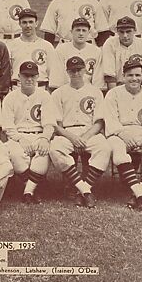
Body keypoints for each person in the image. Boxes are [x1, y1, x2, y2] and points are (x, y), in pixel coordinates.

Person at [103, 58, 142, 211]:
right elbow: (110, 120)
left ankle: (137, 192)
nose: (134, 79)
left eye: (138, 75)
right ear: (123, 76)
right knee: (118, 150)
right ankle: (141, 195)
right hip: (119, 134)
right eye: (130, 75)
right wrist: (122, 134)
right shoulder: (113, 94)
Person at [49, 56, 111, 208]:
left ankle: (79, 190)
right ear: (67, 72)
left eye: (78, 70)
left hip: (90, 132)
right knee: (55, 148)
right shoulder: (58, 93)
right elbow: (56, 125)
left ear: (85, 70)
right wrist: (72, 138)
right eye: (72, 71)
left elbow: (99, 122)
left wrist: (84, 137)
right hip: (66, 132)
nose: (76, 74)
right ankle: (85, 190)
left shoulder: (95, 92)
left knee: (104, 148)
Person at [2, 61, 56, 204]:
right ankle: (34, 187)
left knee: (42, 152)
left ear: (38, 77)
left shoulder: (45, 96)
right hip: (18, 136)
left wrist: (45, 138)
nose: (29, 79)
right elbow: (8, 126)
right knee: (14, 153)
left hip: (39, 134)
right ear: (19, 76)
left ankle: (28, 191)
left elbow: (50, 123)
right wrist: (20, 139)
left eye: (33, 76)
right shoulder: (10, 97)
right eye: (25, 76)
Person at [40, 0, 108, 47]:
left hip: (88, 46)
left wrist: (101, 49)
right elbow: (49, 31)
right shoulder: (56, 2)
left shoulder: (92, 2)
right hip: (65, 45)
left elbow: (102, 30)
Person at [101, 16, 142, 91]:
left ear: (135, 30)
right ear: (117, 31)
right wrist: (115, 95)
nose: (125, 35)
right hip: (118, 86)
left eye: (128, 31)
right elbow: (110, 75)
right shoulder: (110, 43)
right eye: (121, 32)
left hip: (138, 86)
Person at [8, 8, 56, 91]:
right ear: (19, 24)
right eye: (24, 22)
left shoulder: (47, 46)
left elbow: (53, 72)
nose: (28, 26)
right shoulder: (11, 45)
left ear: (36, 23)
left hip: (40, 88)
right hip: (17, 88)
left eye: (31, 22)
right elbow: (7, 71)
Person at [50, 17, 103, 90]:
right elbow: (57, 79)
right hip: (66, 91)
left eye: (84, 30)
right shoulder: (61, 49)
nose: (81, 33)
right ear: (71, 31)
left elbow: (98, 81)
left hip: (89, 91)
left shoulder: (96, 51)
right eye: (78, 30)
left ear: (88, 33)